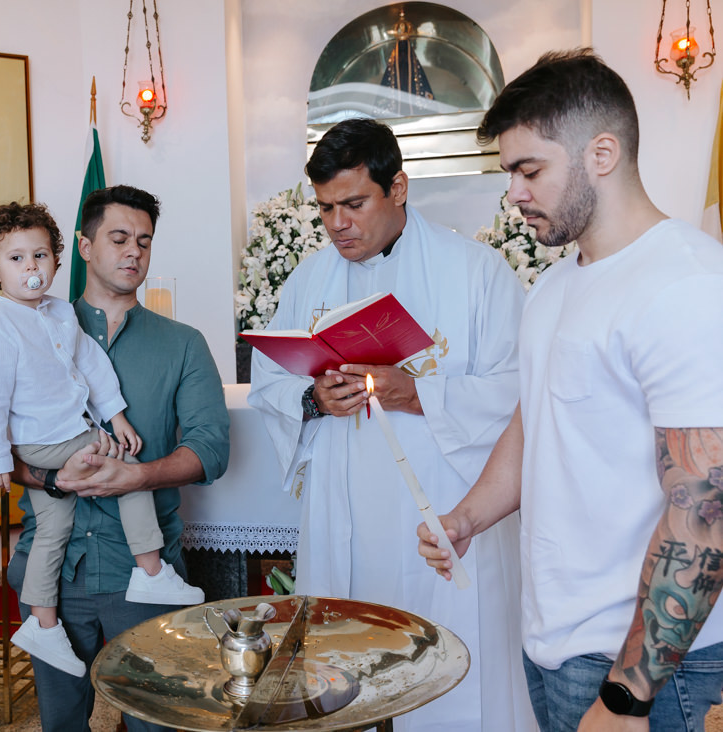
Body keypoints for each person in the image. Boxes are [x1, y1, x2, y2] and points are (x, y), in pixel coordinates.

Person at [418, 49, 723, 731]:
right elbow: (536, 423)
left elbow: (707, 507)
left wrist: (628, 694)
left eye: (530, 171)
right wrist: (467, 519)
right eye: (510, 173)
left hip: (645, 664)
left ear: (602, 154)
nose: (515, 193)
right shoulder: (556, 284)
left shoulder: (688, 285)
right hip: (556, 639)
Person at [248, 118, 534, 731]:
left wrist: (419, 393)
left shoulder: (475, 272)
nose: (337, 224)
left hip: (440, 508)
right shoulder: (309, 279)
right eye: (325, 208)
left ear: (397, 188)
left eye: (354, 204)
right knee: (346, 665)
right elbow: (269, 381)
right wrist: (313, 398)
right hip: (342, 510)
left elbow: (521, 394)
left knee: (451, 673)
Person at [4, 185, 230, 732]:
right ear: (84, 246)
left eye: (144, 242)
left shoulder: (182, 343)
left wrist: (137, 476)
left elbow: (212, 448)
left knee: (157, 723)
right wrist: (54, 478)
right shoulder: (22, 329)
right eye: (120, 238)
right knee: (61, 723)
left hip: (145, 574)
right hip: (56, 573)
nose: (134, 252)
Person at [0, 201, 205, 676]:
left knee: (53, 529)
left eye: (39, 256)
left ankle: (43, 624)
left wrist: (116, 414)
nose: (31, 268)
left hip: (65, 432)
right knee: (120, 461)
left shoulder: (59, 312)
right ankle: (151, 570)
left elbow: (92, 365)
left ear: (57, 261)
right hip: (44, 439)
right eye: (16, 259)